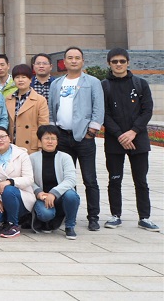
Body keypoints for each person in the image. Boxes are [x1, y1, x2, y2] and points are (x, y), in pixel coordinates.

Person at [101, 48, 158, 231]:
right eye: (114, 61)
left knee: (141, 180)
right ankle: (115, 215)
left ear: (128, 62)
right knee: (114, 179)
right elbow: (104, 114)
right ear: (109, 64)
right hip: (114, 140)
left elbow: (147, 110)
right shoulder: (104, 86)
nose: (118, 64)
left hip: (138, 140)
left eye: (122, 61)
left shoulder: (140, 84)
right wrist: (119, 134)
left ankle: (145, 217)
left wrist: (133, 132)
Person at [48, 46, 104, 231]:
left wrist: (91, 131)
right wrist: (54, 131)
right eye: (70, 58)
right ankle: (68, 214)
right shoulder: (57, 83)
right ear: (64, 61)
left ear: (82, 61)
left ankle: (93, 216)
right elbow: (51, 109)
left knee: (90, 179)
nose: (73, 61)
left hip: (84, 137)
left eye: (77, 58)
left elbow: (98, 108)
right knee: (66, 178)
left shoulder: (92, 82)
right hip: (62, 137)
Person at [0, 126, 35, 238]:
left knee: (8, 190)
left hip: (20, 195)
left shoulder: (22, 154)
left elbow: (29, 179)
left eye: (2, 136)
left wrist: (10, 182)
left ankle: (13, 225)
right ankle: (9, 218)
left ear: (9, 138)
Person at [29, 125, 80, 239]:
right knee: (45, 214)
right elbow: (28, 179)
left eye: (53, 138)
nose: (50, 141)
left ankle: (69, 226)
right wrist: (38, 192)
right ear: (40, 140)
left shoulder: (65, 157)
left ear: (57, 141)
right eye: (46, 138)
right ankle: (46, 221)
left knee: (72, 195)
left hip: (61, 195)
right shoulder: (32, 158)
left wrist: (53, 193)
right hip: (42, 196)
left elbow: (71, 179)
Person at [5, 64, 49, 153]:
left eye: (24, 77)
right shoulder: (8, 99)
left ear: (30, 79)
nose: (20, 80)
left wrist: (41, 146)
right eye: (17, 77)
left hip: (31, 147)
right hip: (12, 146)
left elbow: (43, 125)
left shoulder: (40, 100)